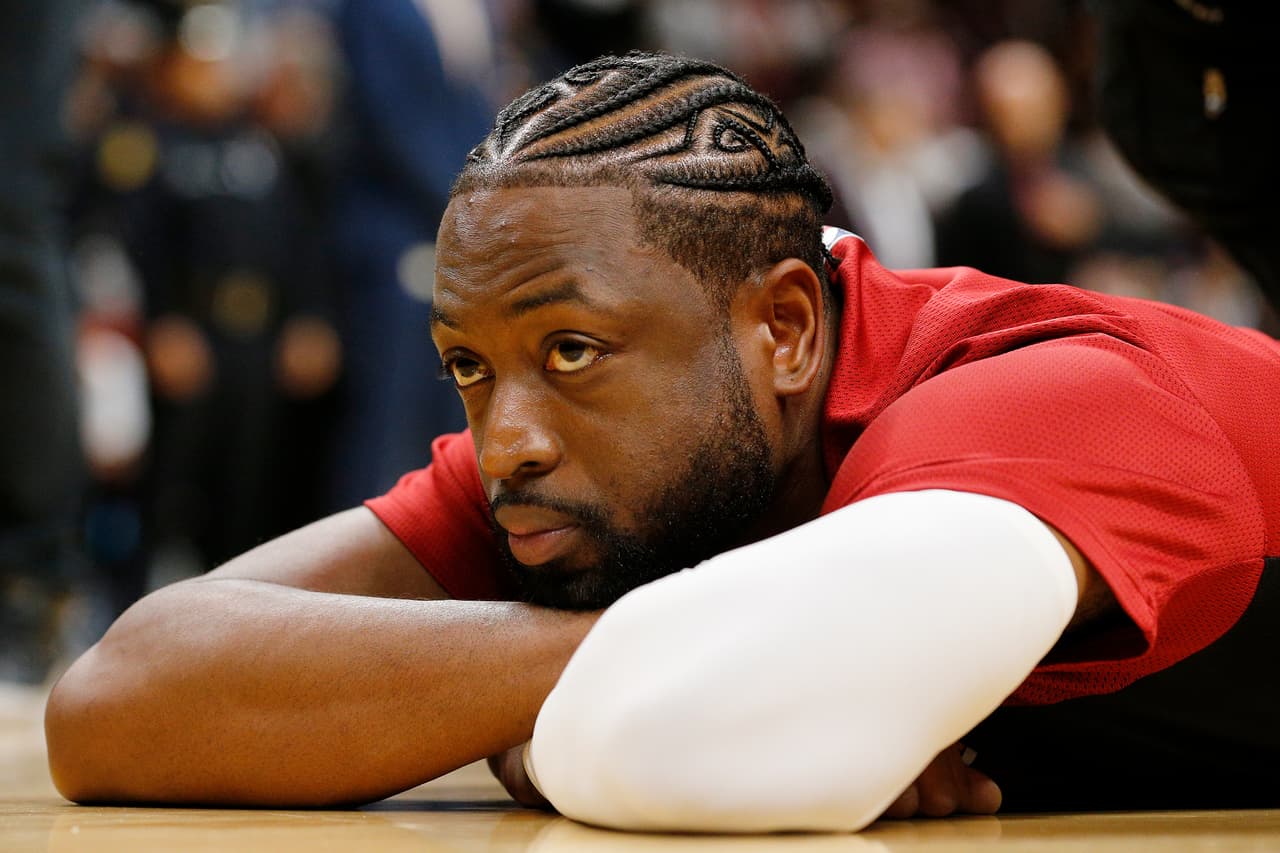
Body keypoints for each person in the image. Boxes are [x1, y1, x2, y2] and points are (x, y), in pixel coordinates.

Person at [45, 52, 1280, 831]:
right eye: (467, 368)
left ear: (784, 328)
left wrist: (558, 708)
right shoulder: (591, 458)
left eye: (571, 350)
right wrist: (664, 656)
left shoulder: (1039, 397)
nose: (502, 439)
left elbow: (702, 745)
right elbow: (119, 698)